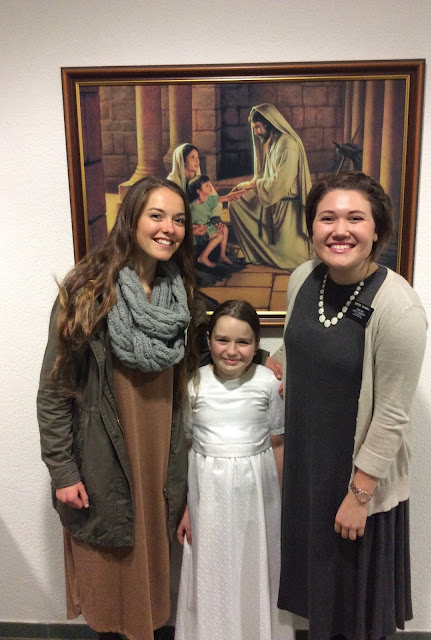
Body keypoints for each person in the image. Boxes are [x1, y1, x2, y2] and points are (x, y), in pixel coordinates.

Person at [37, 176, 200, 640]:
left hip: (161, 463)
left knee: (152, 589)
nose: (169, 228)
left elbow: (204, 359)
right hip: (103, 465)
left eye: (179, 219)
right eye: (157, 215)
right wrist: (63, 471)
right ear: (130, 219)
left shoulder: (181, 296)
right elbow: (54, 391)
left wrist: (267, 360)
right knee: (110, 588)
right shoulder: (87, 293)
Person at [274, 172, 427, 640]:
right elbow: (297, 345)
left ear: (377, 229)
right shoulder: (303, 279)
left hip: (356, 481)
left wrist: (360, 496)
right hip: (307, 470)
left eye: (355, 218)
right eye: (327, 218)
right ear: (311, 227)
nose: (340, 230)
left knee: (354, 611)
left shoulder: (399, 307)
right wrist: (272, 366)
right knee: (316, 600)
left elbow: (393, 415)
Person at [175, 300, 294, 640]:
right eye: (222, 340)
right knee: (212, 569)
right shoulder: (193, 384)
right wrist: (187, 507)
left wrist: (282, 503)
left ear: (257, 345)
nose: (231, 351)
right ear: (208, 340)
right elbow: (187, 447)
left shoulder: (269, 383)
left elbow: (278, 444)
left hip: (258, 495)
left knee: (254, 567)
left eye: (243, 342)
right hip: (207, 498)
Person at [228, 103, 312, 270]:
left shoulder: (288, 145)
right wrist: (243, 186)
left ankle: (268, 254)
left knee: (290, 258)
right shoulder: (273, 142)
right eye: (254, 128)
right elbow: (265, 177)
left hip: (287, 209)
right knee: (236, 204)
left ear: (269, 124)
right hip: (273, 200)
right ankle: (255, 253)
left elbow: (279, 183)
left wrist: (256, 185)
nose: (256, 132)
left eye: (258, 127)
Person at [188, 175, 245, 268]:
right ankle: (203, 257)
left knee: (224, 228)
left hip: (205, 228)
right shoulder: (193, 208)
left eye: (209, 184)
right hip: (197, 235)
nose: (210, 187)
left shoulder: (209, 200)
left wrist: (243, 191)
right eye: (206, 185)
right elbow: (186, 226)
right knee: (220, 235)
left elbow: (227, 197)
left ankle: (222, 256)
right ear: (199, 191)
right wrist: (197, 227)